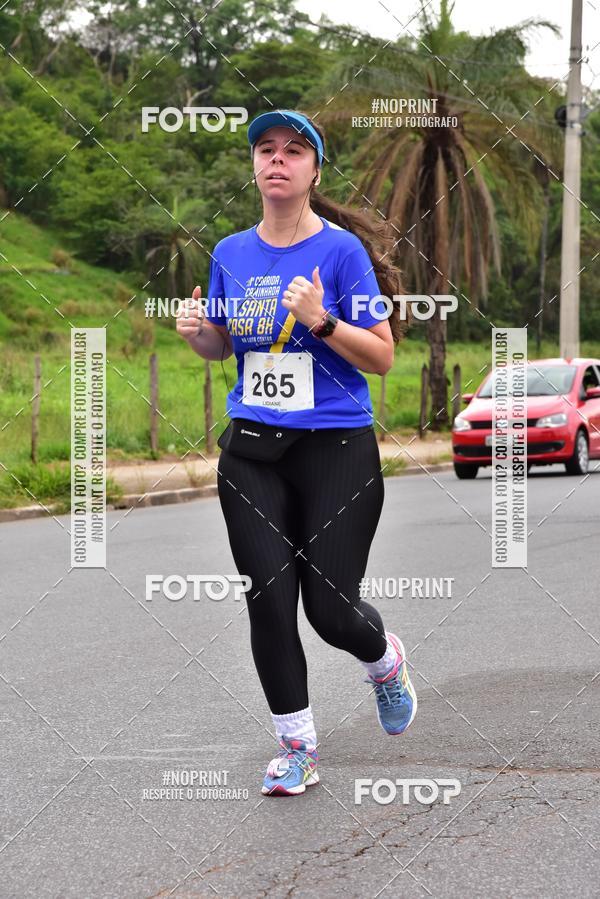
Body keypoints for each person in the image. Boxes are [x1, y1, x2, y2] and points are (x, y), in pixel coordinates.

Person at [176, 109, 417, 797]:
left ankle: (383, 660)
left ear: (314, 170)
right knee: (268, 599)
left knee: (331, 610)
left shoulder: (342, 253)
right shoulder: (229, 252)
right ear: (254, 167)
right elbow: (225, 346)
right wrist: (198, 334)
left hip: (336, 445)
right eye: (265, 149)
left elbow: (383, 358)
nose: (276, 159)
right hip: (253, 449)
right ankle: (297, 747)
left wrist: (322, 319)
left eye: (292, 150)